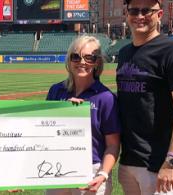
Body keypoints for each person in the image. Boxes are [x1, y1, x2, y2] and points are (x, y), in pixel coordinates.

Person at [117, 0, 173, 194]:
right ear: (126, 14)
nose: (139, 16)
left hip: (158, 163)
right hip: (128, 161)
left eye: (146, 10)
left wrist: (172, 161)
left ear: (159, 15)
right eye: (134, 10)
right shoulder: (124, 53)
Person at [46, 35, 120, 195]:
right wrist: (62, 111)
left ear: (97, 62)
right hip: (56, 167)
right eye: (76, 57)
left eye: (89, 58)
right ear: (69, 60)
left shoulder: (106, 97)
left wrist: (103, 174)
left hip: (92, 171)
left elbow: (113, 145)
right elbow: (41, 132)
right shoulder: (55, 91)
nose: (82, 62)